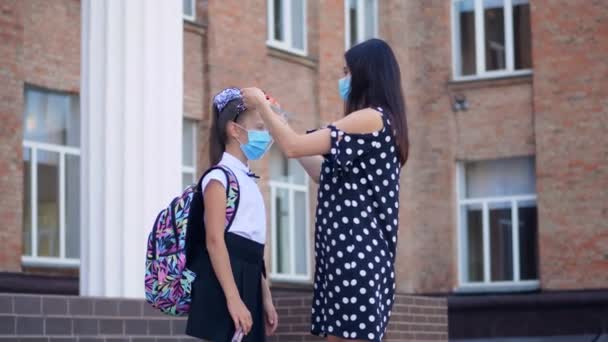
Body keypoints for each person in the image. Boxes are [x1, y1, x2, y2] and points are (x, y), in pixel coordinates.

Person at [242, 38, 408, 342]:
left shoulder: (369, 118)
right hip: (346, 260)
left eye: (347, 72)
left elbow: (293, 146)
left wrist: (262, 106)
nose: (342, 80)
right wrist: (279, 121)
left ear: (365, 74)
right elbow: (323, 172)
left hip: (355, 259)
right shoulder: (379, 123)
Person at [186, 88, 279, 342]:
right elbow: (215, 241)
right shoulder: (218, 178)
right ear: (234, 130)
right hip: (225, 283)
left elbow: (253, 250)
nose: (266, 134)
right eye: (260, 126)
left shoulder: (248, 180)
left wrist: (266, 298)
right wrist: (234, 299)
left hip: (248, 280)